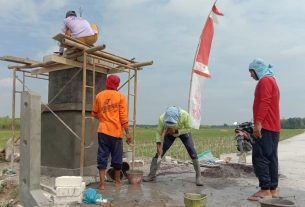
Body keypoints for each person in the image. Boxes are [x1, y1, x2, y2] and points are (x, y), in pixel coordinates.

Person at [143, 106, 203, 186]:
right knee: (160, 151)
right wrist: (158, 145)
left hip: (183, 131)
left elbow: (189, 128)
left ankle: (198, 176)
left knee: (191, 150)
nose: (170, 125)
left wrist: (177, 130)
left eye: (172, 124)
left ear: (177, 119)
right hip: (169, 133)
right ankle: (151, 175)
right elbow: (158, 132)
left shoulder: (185, 115)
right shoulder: (162, 118)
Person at [247, 58, 281, 201]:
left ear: (256, 70)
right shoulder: (272, 80)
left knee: (260, 157)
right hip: (273, 127)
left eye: (251, 72)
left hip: (265, 126)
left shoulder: (265, 81)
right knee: (271, 158)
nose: (251, 75)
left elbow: (264, 102)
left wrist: (258, 123)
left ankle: (265, 189)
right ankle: (272, 189)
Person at [92, 75, 132, 190]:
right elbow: (123, 117)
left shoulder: (99, 95)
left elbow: (94, 113)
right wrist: (127, 134)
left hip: (103, 131)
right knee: (117, 157)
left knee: (102, 156)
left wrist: (103, 117)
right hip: (116, 133)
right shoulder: (120, 97)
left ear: (107, 82)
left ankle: (102, 184)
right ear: (117, 84)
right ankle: (118, 181)